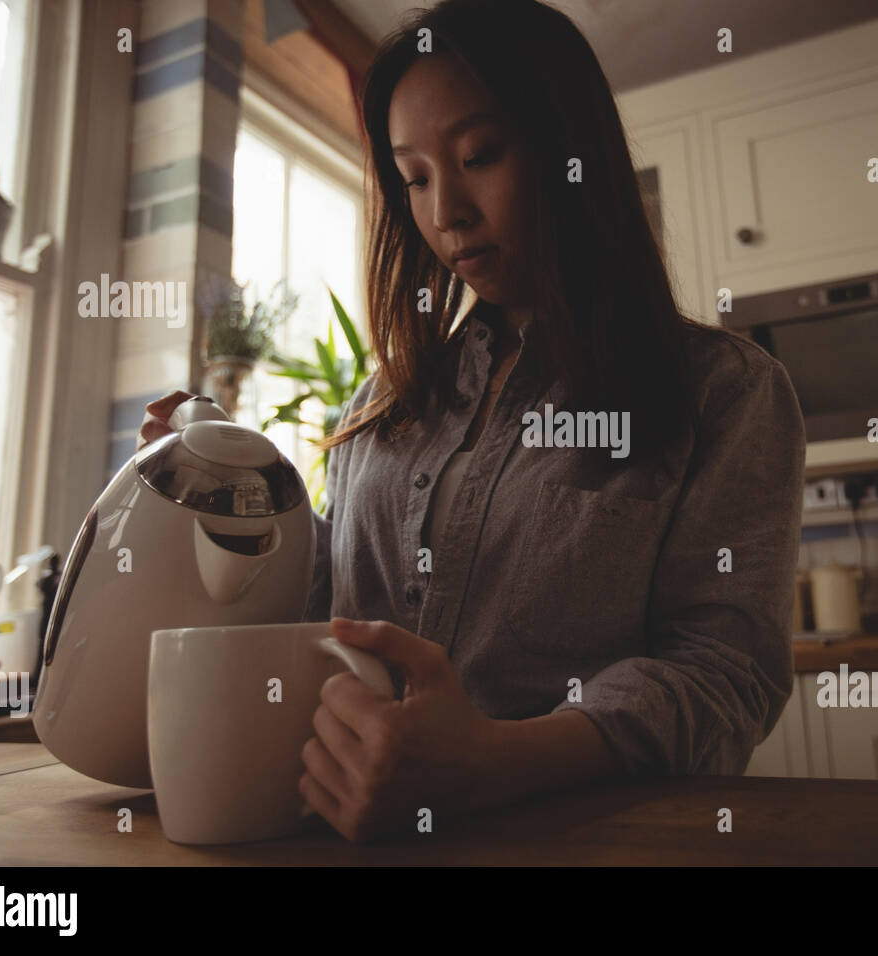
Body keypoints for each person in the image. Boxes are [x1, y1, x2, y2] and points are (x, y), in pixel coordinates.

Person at [138, 0, 805, 843]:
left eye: (479, 156)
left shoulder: (726, 394)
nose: (445, 210)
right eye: (414, 176)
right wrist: (226, 487)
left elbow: (726, 675)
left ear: (572, 154)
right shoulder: (382, 405)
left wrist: (498, 760)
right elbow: (322, 606)